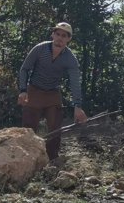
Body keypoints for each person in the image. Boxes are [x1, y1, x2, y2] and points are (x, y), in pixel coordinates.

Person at [17, 22, 87, 167]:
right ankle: (25, 161)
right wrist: (23, 90)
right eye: (58, 34)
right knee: (28, 129)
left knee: (55, 129)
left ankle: (52, 162)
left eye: (64, 36)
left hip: (53, 93)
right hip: (34, 90)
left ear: (69, 39)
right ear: (53, 35)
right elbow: (24, 69)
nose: (60, 38)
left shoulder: (70, 58)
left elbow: (75, 82)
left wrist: (78, 106)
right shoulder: (40, 49)